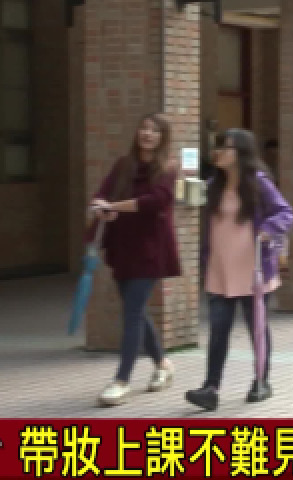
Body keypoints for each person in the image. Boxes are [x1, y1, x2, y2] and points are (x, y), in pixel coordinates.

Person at [185, 128, 293, 411]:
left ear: (240, 153)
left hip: (252, 269)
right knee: (218, 331)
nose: (219, 152)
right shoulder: (213, 185)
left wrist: (268, 228)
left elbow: (285, 213)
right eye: (218, 146)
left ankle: (261, 381)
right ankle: (210, 388)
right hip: (219, 270)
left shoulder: (257, 183)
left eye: (225, 147)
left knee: (257, 329)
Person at [89, 113, 181, 406]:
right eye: (144, 128)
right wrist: (99, 206)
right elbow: (102, 193)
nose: (147, 134)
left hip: (151, 250)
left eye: (154, 130)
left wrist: (113, 206)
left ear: (163, 137)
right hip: (123, 248)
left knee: (131, 314)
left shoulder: (168, 168)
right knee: (137, 312)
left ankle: (121, 381)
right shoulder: (123, 165)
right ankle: (163, 365)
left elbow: (155, 201)